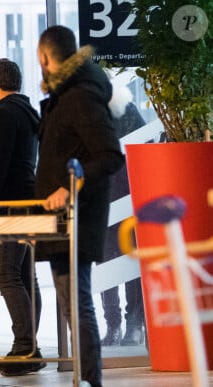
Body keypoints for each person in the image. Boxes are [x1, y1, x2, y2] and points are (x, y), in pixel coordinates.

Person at [35, 26, 124, 387]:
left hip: (77, 215)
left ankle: (90, 379)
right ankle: (89, 378)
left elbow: (110, 155)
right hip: (64, 217)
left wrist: (71, 186)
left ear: (44, 58)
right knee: (73, 300)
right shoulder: (68, 95)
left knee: (77, 301)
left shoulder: (78, 97)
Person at [0, 59, 44, 376]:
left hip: (7, 206)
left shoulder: (3, 115)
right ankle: (30, 347)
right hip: (25, 202)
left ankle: (24, 347)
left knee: (5, 274)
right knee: (25, 276)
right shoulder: (27, 113)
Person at [100, 77, 146, 347]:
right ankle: (114, 323)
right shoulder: (86, 113)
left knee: (129, 262)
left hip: (127, 198)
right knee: (106, 264)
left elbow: (143, 147)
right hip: (101, 200)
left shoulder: (125, 109)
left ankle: (134, 323)